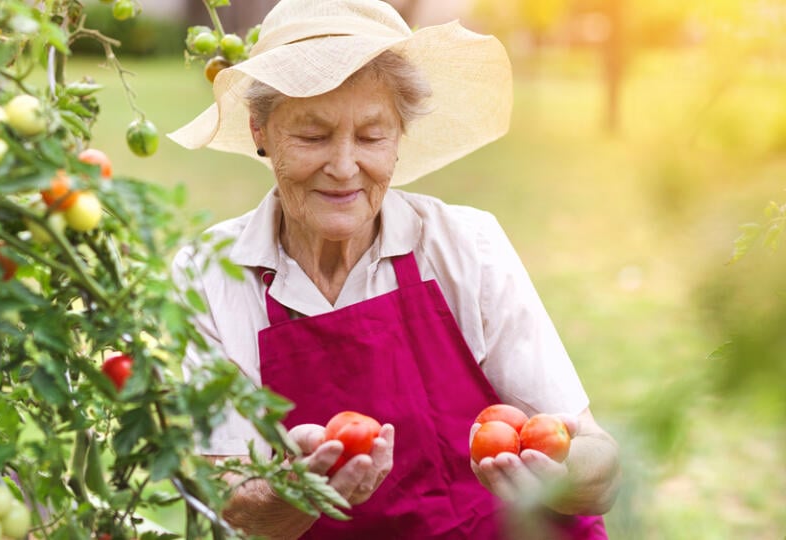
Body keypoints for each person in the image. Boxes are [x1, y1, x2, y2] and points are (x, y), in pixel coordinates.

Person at [169, 0, 621, 538]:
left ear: (400, 137)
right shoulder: (211, 273)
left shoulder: (465, 245)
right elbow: (233, 507)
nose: (342, 167)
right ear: (260, 131)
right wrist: (298, 490)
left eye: (371, 135)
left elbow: (601, 467)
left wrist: (561, 474)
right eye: (312, 136)